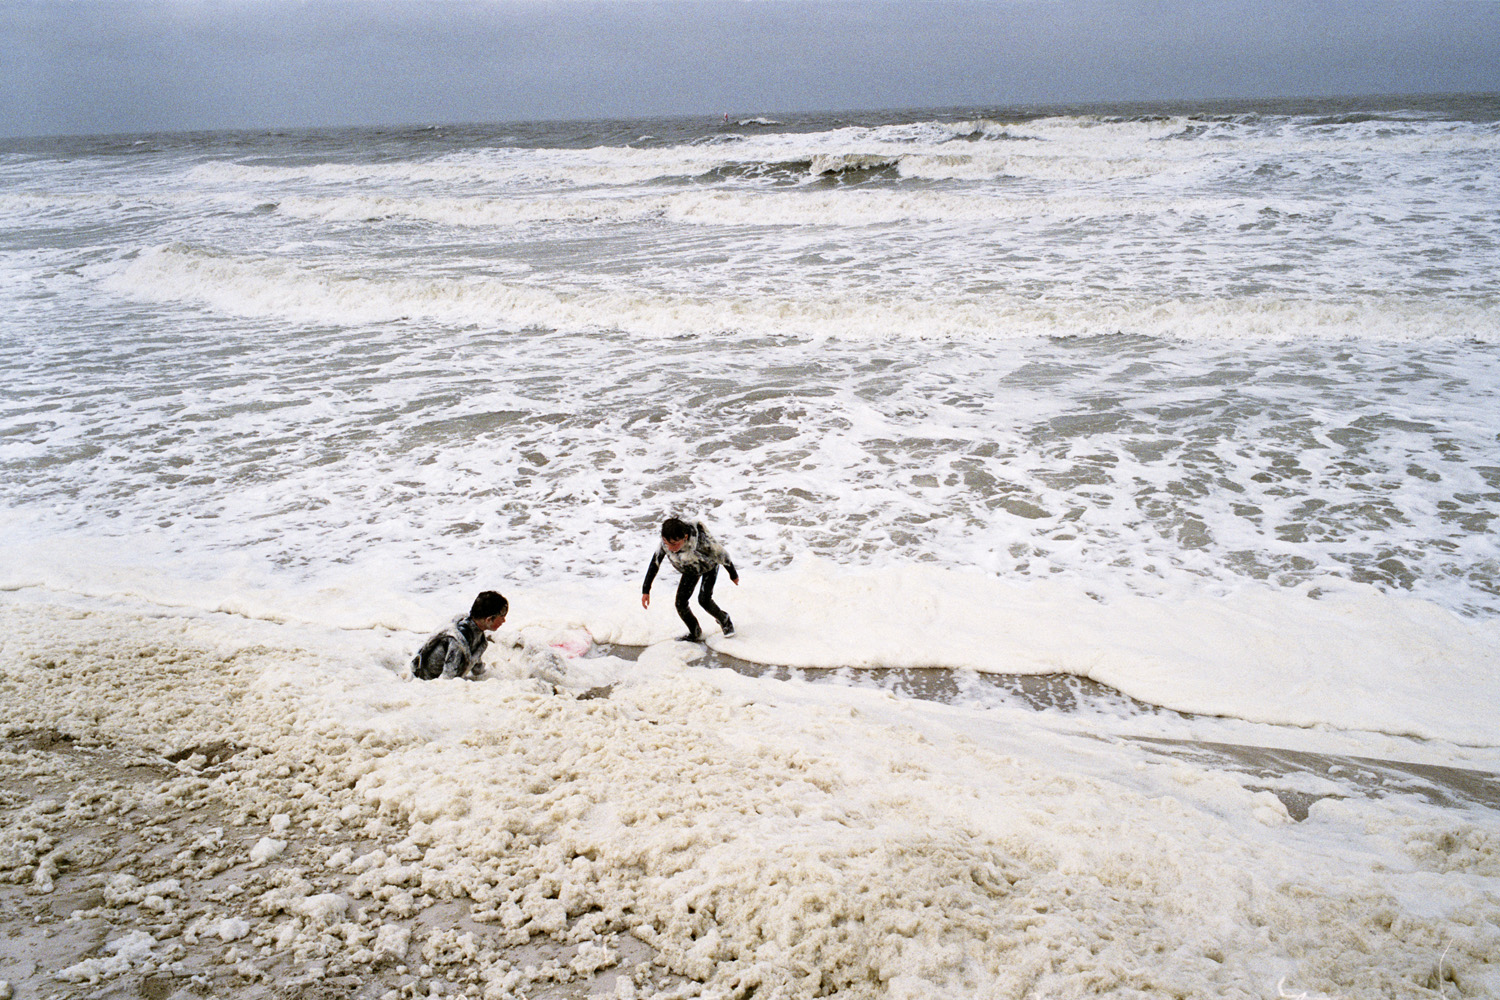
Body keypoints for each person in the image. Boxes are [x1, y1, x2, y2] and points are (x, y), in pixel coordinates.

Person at [641, 516, 739, 641]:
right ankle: (695, 632)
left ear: (685, 537)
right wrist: (646, 590)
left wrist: (733, 575)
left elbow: (724, 556)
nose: (670, 548)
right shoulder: (666, 544)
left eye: (674, 544)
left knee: (704, 600)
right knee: (680, 604)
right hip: (690, 569)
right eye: (666, 543)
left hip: (709, 566)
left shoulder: (702, 542)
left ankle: (725, 620)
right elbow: (654, 563)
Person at [411, 590, 508, 680]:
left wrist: (484, 674)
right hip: (426, 681)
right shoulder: (458, 639)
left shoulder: (477, 633)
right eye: (502, 617)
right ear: (489, 619)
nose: (504, 621)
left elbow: (475, 660)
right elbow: (447, 677)